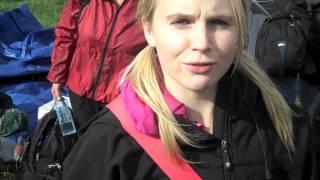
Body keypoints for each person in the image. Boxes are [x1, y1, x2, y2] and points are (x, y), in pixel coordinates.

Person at [63, 0, 319, 179]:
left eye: (219, 22)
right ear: (149, 29)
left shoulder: (287, 127)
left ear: (241, 31)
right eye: (182, 21)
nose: (202, 43)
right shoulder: (108, 145)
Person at [47, 0, 147, 126]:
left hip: (121, 99)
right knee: (83, 140)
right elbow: (66, 33)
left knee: (110, 143)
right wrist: (58, 76)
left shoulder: (150, 4)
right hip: (80, 91)